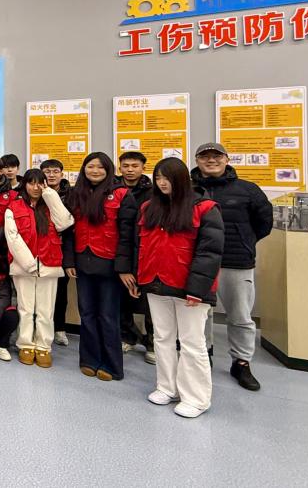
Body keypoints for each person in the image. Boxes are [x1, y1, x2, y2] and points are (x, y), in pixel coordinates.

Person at [126, 157, 224, 418]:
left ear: (180, 179)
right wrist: (139, 278)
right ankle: (166, 387)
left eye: (167, 178)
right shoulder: (148, 208)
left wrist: (197, 289)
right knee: (162, 338)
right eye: (158, 178)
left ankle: (196, 398)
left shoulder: (204, 208)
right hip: (155, 283)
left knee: (192, 343)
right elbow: (140, 246)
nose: (162, 183)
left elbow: (210, 253)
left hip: (188, 289)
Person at [191, 142, 273, 391]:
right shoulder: (189, 190)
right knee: (199, 314)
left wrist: (244, 242)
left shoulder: (247, 190)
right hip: (199, 262)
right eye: (205, 157)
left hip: (236, 262)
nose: (211, 160)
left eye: (216, 156)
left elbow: (263, 223)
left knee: (240, 316)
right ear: (197, 160)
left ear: (227, 159)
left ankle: (241, 362)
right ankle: (203, 354)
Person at [63, 152, 137, 381]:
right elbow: (68, 231)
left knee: (107, 315)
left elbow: (128, 235)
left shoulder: (122, 194)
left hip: (110, 265)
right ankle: (89, 359)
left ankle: (112, 365)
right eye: (90, 166)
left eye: (100, 167)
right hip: (82, 262)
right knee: (87, 313)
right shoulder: (76, 194)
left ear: (108, 170)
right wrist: (69, 261)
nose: (94, 171)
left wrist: (124, 268)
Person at [5, 169, 74, 368]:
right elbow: (12, 237)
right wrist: (28, 263)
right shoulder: (13, 207)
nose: (35, 187)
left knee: (46, 309)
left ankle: (43, 346)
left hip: (49, 263)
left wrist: (50, 195)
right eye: (31, 183)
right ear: (24, 184)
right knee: (25, 308)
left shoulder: (51, 205)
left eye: (40, 183)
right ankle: (26, 344)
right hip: (23, 265)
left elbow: (65, 223)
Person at [117, 151, 156, 364]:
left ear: (143, 168)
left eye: (134, 166)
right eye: (126, 166)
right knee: (122, 299)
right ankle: (128, 336)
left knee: (151, 301)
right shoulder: (114, 189)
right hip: (120, 250)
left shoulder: (153, 192)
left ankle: (152, 343)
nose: (130, 170)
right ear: (120, 167)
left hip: (146, 251)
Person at [41, 158, 72, 347]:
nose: (51, 175)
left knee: (60, 292)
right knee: (41, 292)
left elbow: (70, 224)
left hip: (63, 248)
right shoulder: (37, 192)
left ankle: (59, 328)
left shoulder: (72, 195)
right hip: (42, 248)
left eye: (55, 171)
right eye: (47, 172)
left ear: (62, 174)